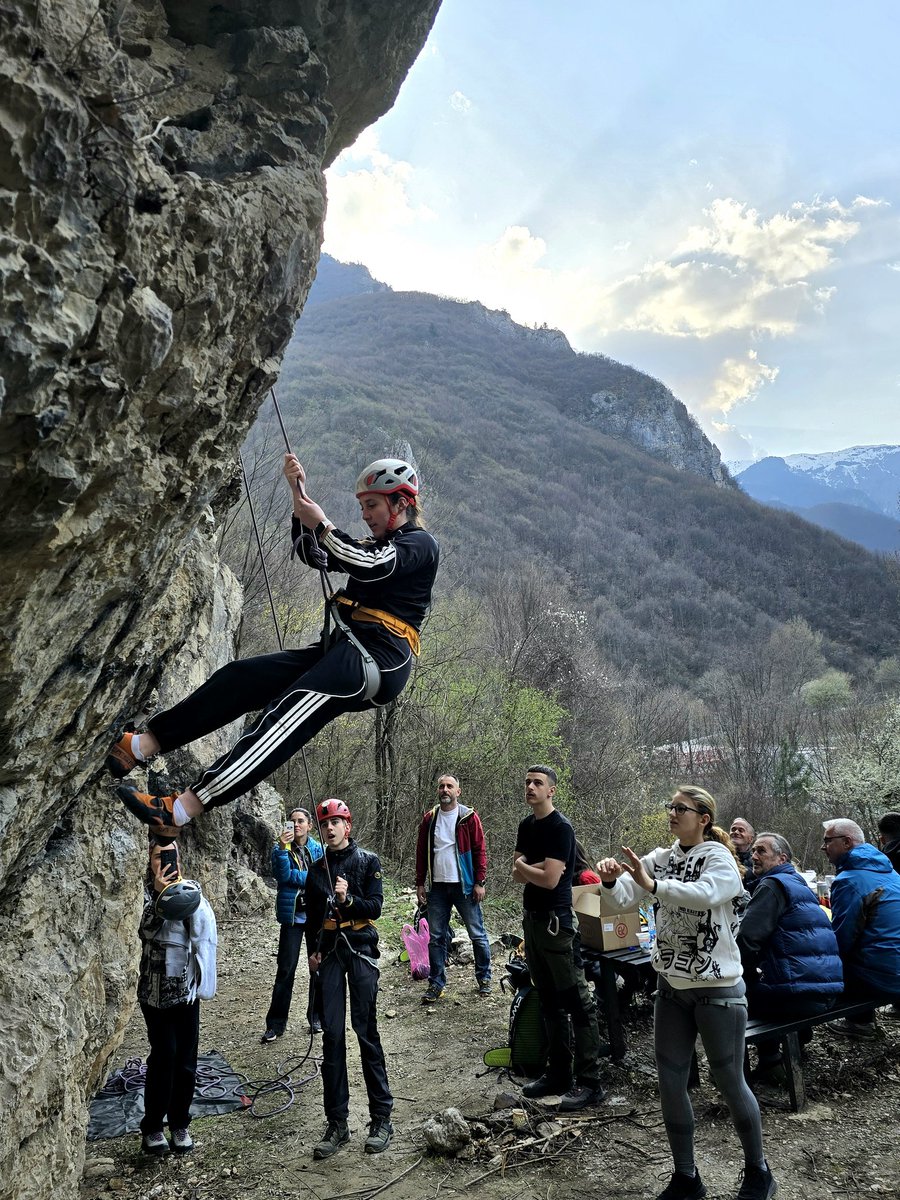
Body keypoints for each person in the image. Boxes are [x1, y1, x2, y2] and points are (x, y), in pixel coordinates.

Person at [107, 456, 439, 838]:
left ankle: (181, 809)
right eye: (363, 506)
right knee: (242, 678)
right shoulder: (377, 544)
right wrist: (300, 505)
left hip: (375, 661)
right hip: (344, 648)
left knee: (282, 719)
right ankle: (141, 745)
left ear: (401, 503)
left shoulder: (419, 544)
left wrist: (324, 524)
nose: (365, 515)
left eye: (372, 505)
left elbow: (370, 565)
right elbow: (317, 554)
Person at [598, 785, 776, 1200]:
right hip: (671, 988)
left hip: (718, 989)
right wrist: (610, 883)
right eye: (671, 807)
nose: (673, 813)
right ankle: (686, 1177)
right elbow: (622, 900)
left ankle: (758, 1172)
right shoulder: (660, 858)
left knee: (729, 1081)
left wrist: (654, 886)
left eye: (682, 808)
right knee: (671, 1082)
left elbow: (707, 895)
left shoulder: (720, 860)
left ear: (704, 818)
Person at [512, 765, 606, 1112]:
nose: (531, 787)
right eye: (527, 782)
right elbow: (516, 874)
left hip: (557, 923)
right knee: (548, 999)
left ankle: (590, 1082)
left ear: (551, 790)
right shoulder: (527, 825)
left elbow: (551, 881)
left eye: (537, 783)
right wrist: (529, 870)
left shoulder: (560, 828)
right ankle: (558, 1073)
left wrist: (527, 868)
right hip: (533, 921)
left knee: (577, 1002)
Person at [304, 798, 393, 1159]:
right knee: (332, 1037)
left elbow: (376, 906)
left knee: (366, 1032)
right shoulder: (315, 869)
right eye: (324, 823)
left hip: (360, 950)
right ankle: (337, 1122)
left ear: (348, 826)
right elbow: (311, 917)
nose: (329, 828)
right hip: (330, 953)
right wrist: (312, 952)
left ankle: (381, 1118)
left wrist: (349, 899)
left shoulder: (367, 861)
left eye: (335, 822)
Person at [737, 832, 842, 1080]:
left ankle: (768, 1063)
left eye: (761, 851)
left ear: (781, 858)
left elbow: (747, 941)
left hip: (801, 997)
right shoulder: (797, 883)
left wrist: (744, 973)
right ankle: (800, 1038)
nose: (754, 856)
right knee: (774, 974)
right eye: (753, 851)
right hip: (827, 990)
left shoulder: (772, 886)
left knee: (734, 992)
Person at [137, 840, 217, 1156]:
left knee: (186, 1061)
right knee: (163, 1056)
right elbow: (144, 930)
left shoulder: (190, 890)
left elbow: (203, 934)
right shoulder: (142, 894)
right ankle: (153, 1127)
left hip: (185, 991)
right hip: (154, 991)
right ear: (150, 860)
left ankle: (180, 1123)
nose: (166, 861)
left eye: (171, 855)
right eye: (160, 856)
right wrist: (158, 894)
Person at [415, 773, 492, 1003]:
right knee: (436, 937)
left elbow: (480, 850)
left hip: (465, 886)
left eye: (449, 786)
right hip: (437, 887)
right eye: (441, 786)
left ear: (458, 792)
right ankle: (436, 984)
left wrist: (480, 882)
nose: (445, 790)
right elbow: (421, 852)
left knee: (477, 934)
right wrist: (420, 882)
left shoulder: (468, 817)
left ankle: (484, 978)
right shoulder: (430, 819)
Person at [821, 817, 900, 1039]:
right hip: (894, 968)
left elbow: (842, 940)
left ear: (846, 842)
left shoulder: (849, 880)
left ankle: (860, 1023)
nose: (823, 847)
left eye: (827, 841)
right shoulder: (890, 872)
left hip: (887, 977)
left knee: (816, 966)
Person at [260, 807, 325, 1044]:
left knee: (317, 968)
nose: (296, 825)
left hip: (315, 917)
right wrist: (283, 850)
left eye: (300, 821)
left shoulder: (319, 849)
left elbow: (321, 879)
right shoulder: (281, 849)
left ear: (309, 825)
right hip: (292, 918)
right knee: (285, 970)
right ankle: (275, 1024)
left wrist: (303, 877)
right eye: (292, 821)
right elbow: (283, 875)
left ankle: (316, 1017)